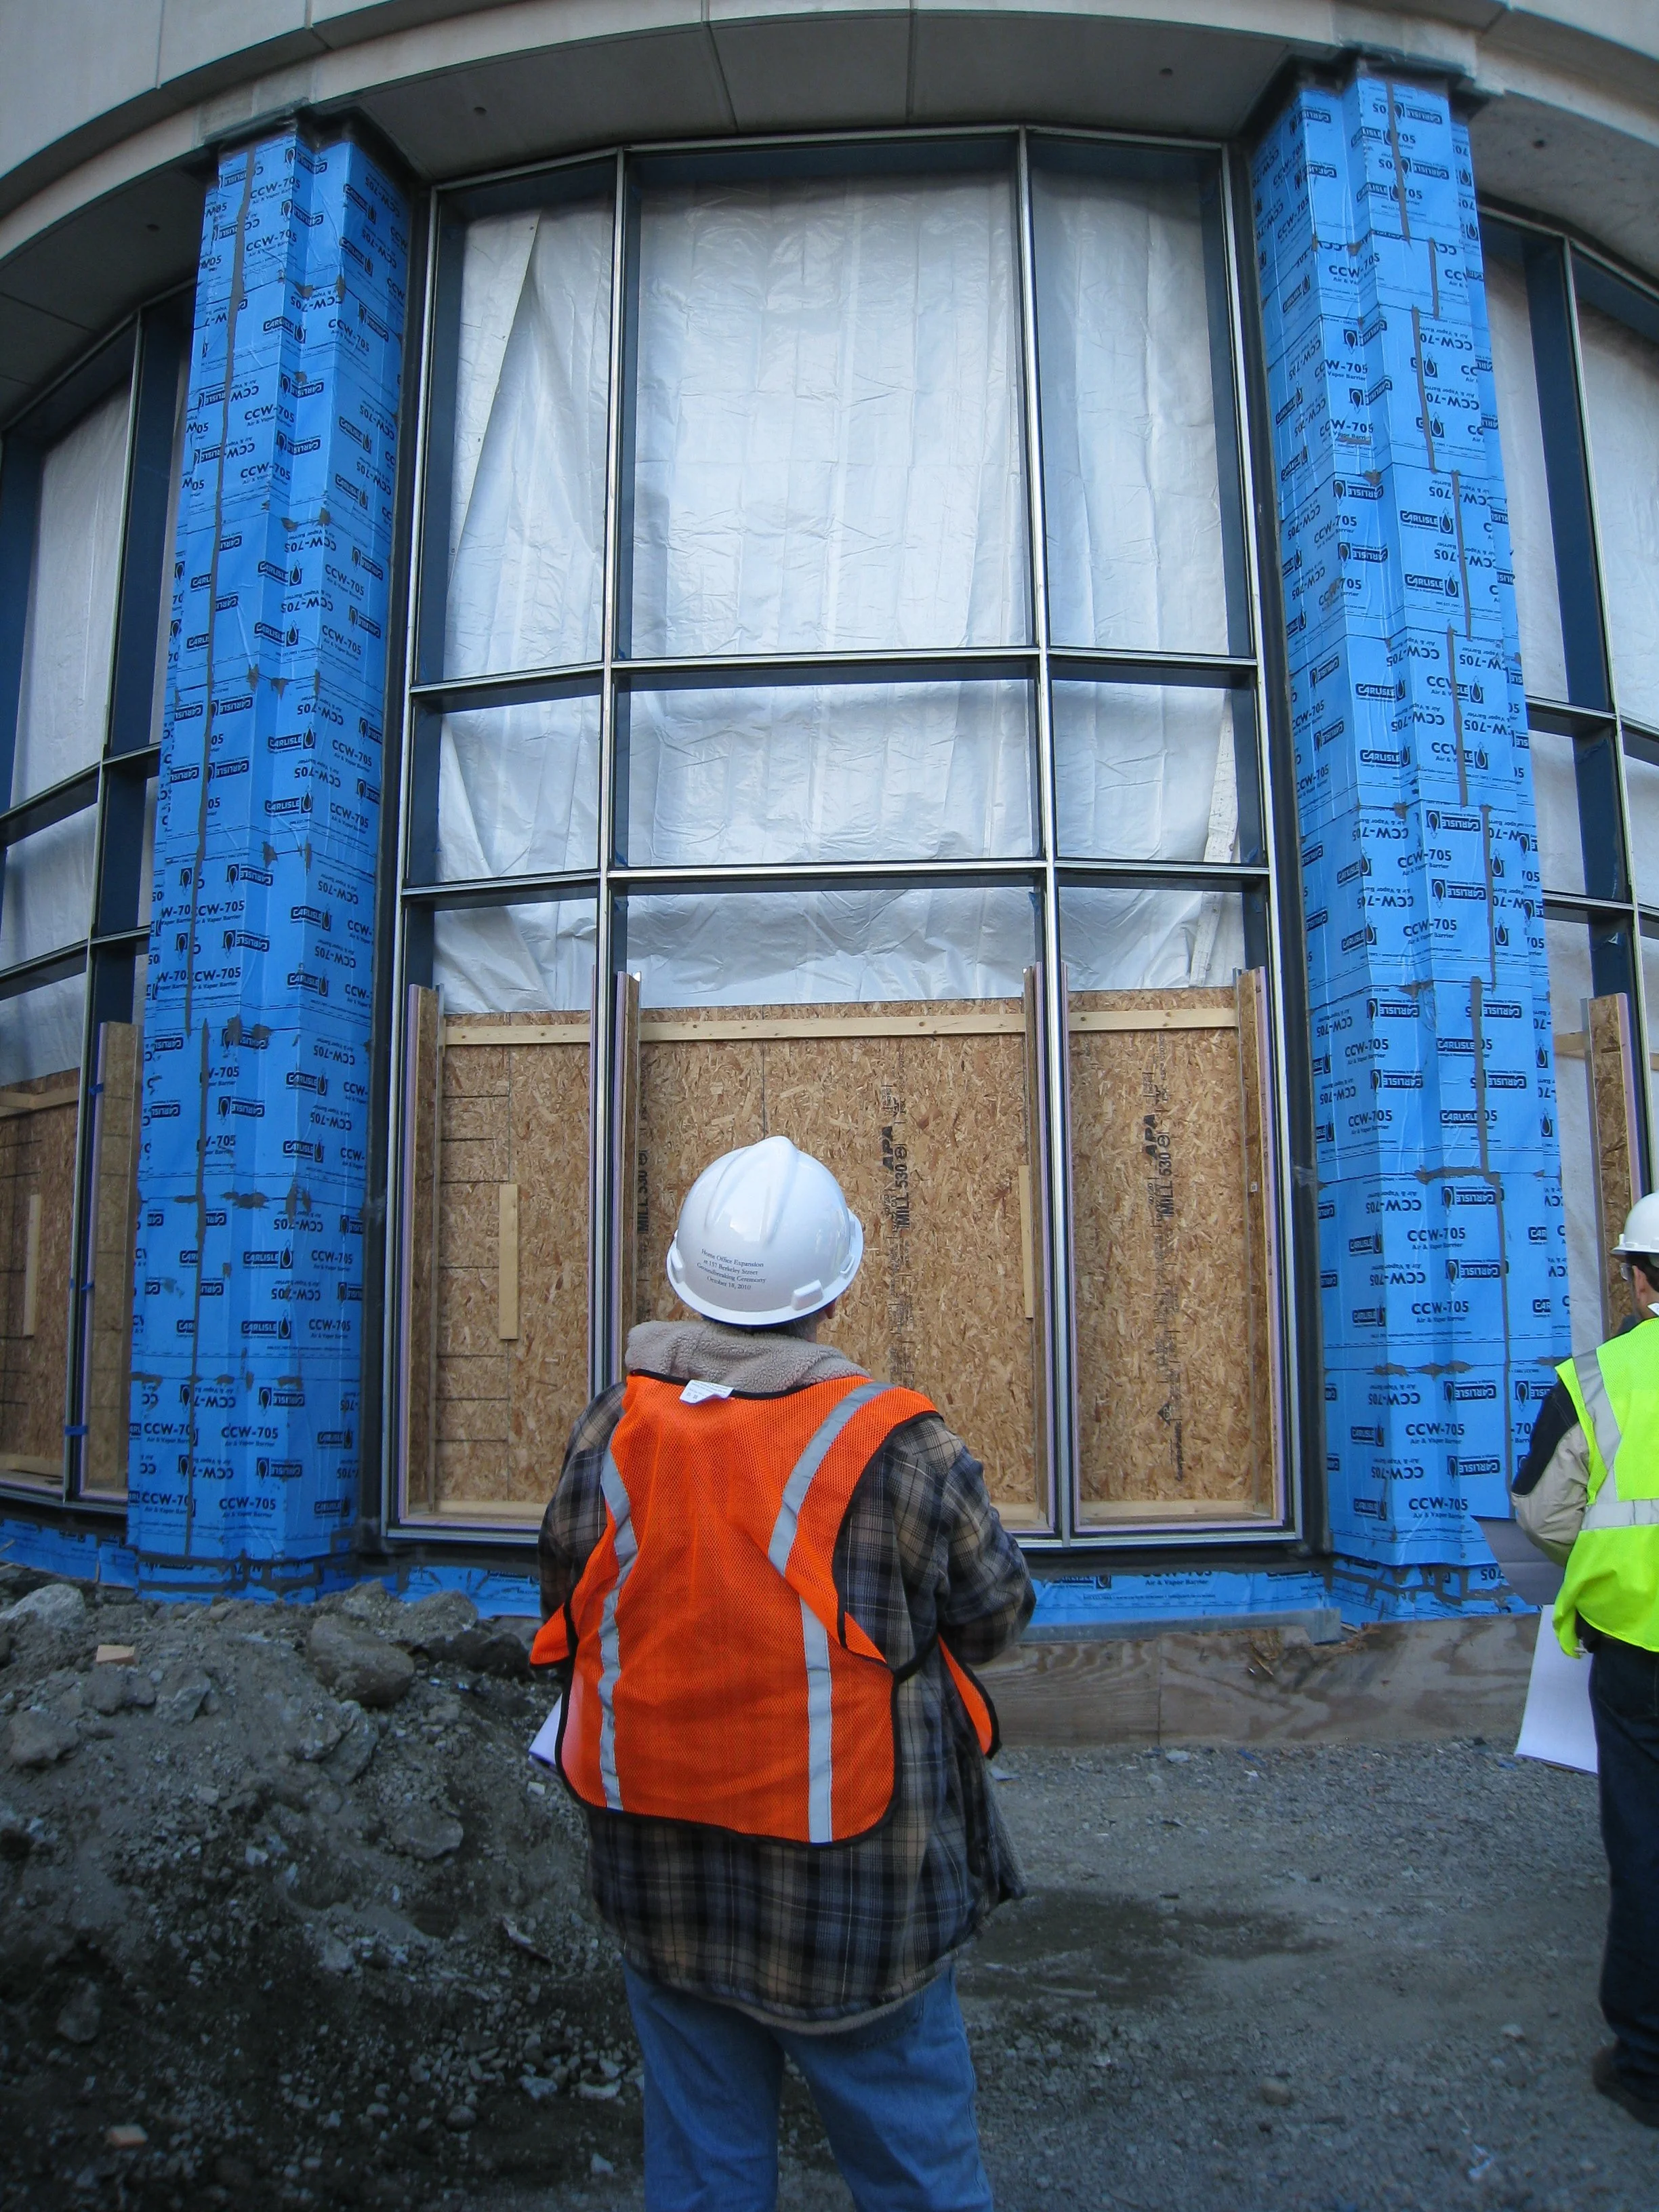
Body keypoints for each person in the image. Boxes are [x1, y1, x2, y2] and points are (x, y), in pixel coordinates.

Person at [533, 1132, 1035, 2211]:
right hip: (856, 1909)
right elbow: (994, 1621)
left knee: (705, 2173)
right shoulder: (906, 1450)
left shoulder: (613, 1428)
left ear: (685, 1280)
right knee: (918, 2174)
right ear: (836, 1291)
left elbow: (563, 1599)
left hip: (662, 1887)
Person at [1513, 1191, 1659, 2130]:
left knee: (1645, 1845)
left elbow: (1543, 1513)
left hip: (1640, 1656)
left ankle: (1648, 2061)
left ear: (1641, 1277)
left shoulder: (1599, 1380)